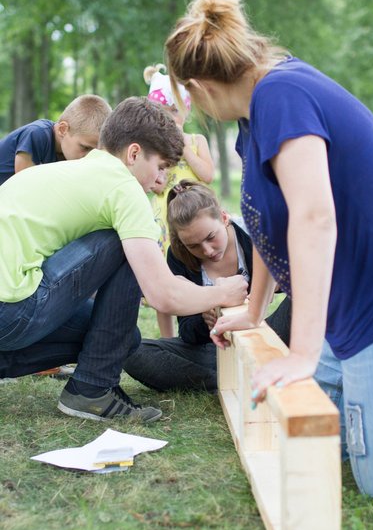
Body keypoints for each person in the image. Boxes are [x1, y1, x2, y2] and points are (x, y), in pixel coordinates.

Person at [164, 0, 373, 501]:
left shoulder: (282, 95)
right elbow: (272, 222)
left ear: (198, 87)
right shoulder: (255, 116)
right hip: (350, 311)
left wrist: (303, 352)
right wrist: (254, 310)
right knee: (318, 441)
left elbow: (314, 217)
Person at [0, 97, 248, 423]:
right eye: (159, 167)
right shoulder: (123, 188)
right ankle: (92, 389)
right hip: (11, 312)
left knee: (123, 339)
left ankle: (85, 380)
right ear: (133, 154)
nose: (159, 180)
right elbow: (162, 294)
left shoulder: (61, 172)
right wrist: (223, 292)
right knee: (127, 239)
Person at [124, 180, 291, 392]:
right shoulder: (178, 257)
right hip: (213, 350)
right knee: (132, 351)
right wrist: (204, 318)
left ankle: (249, 374)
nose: (208, 250)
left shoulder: (252, 234)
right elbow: (188, 333)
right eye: (193, 246)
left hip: (262, 335)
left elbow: (298, 285)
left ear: (223, 218)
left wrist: (272, 284)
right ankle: (228, 383)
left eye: (211, 237)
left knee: (302, 300)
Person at [144, 64, 215, 337]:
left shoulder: (196, 140)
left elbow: (207, 174)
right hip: (164, 219)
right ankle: (167, 337)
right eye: (163, 114)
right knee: (163, 273)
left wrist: (185, 147)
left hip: (194, 214)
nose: (170, 118)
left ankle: (200, 320)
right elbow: (156, 184)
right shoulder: (156, 147)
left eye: (174, 111)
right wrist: (159, 180)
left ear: (186, 111)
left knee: (194, 266)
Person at [0, 94, 112, 185]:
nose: (88, 156)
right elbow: (24, 183)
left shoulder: (67, 153)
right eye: (85, 147)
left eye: (94, 151)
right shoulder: (37, 134)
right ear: (63, 129)